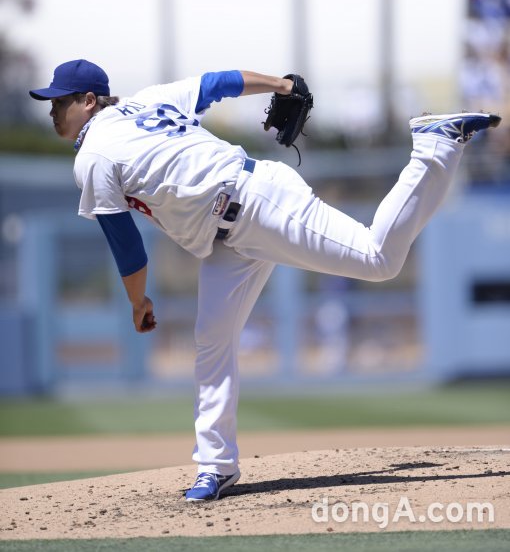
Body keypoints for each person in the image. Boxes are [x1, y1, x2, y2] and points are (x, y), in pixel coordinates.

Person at [30, 59, 501, 501]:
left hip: (259, 205)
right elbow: (218, 83)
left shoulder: (94, 155)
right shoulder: (149, 100)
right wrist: (280, 84)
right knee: (212, 341)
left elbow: (126, 243)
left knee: (379, 259)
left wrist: (138, 302)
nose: (52, 110)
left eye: (60, 101)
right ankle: (216, 466)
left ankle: (434, 146)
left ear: (88, 100)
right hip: (227, 238)